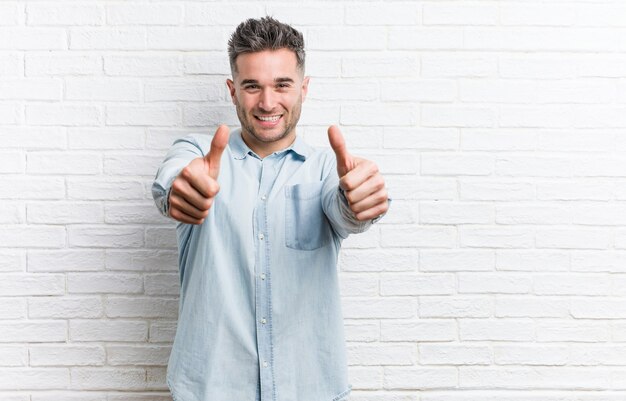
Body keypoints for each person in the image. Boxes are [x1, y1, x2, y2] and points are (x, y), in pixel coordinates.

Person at [152, 16, 389, 401]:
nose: (267, 102)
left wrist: (360, 203)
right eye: (251, 86)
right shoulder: (198, 154)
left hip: (309, 388)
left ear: (303, 88)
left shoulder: (328, 168)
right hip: (211, 389)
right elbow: (173, 182)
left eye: (282, 85)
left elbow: (346, 207)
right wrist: (181, 192)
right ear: (232, 91)